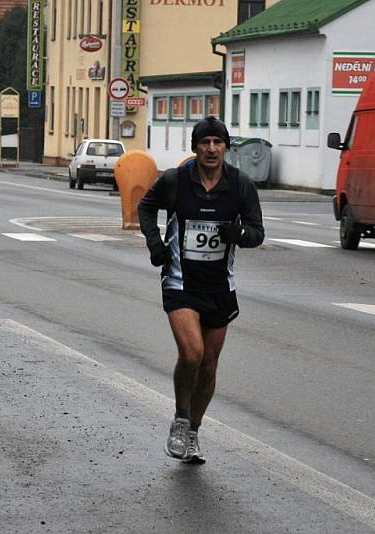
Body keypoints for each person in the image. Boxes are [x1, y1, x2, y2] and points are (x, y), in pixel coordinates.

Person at [137, 116, 264, 464]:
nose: (211, 149)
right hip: (180, 281)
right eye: (204, 142)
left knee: (208, 365)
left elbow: (257, 233)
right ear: (194, 147)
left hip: (220, 287)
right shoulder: (176, 181)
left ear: (226, 147)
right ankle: (180, 418)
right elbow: (146, 207)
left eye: (217, 142)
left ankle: (193, 431)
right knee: (191, 353)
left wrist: (238, 234)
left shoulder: (240, 186)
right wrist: (155, 244)